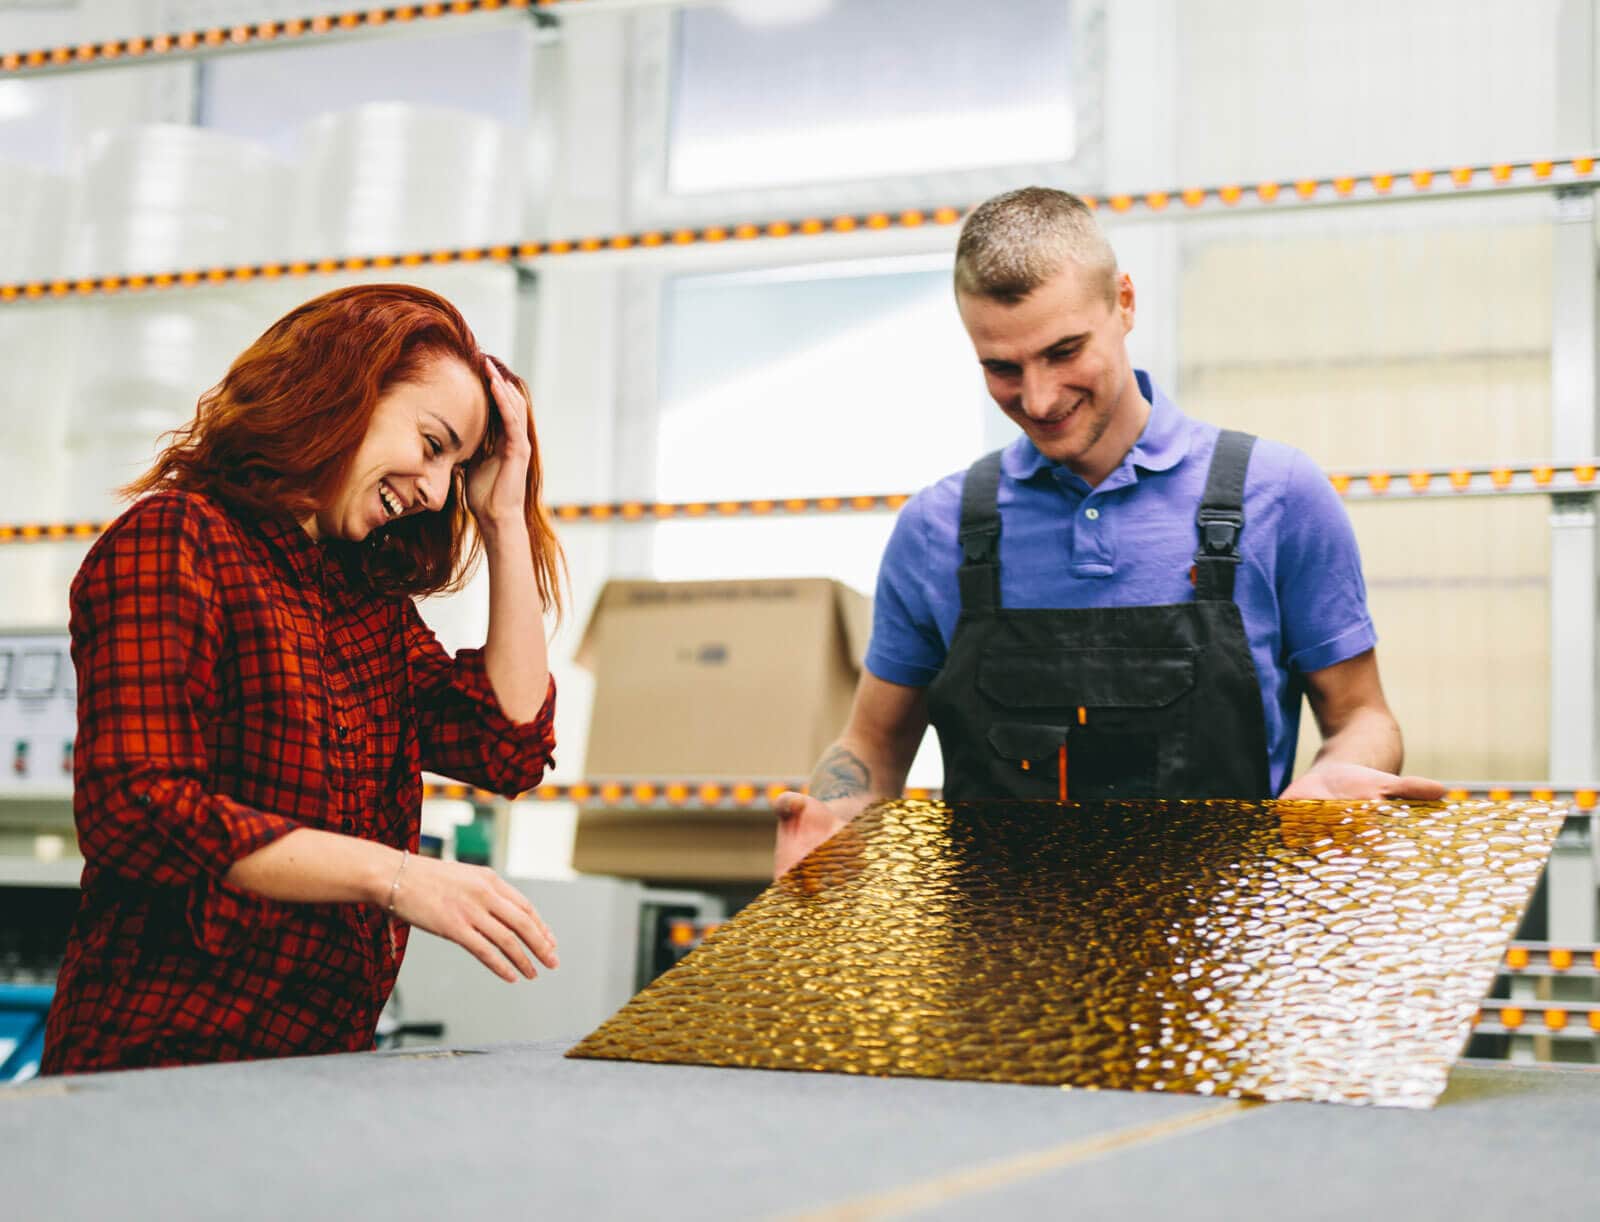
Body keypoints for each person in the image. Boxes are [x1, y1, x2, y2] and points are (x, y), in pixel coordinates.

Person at [775, 187, 1444, 877]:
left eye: (1064, 351)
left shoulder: (1277, 495)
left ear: (1124, 303)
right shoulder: (936, 530)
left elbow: (1362, 716)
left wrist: (1336, 781)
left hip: (1222, 965)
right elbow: (873, 748)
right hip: (996, 970)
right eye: (1002, 368)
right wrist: (834, 820)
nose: (1038, 399)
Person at [43, 283, 565, 1073]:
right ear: (342, 393)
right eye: (432, 444)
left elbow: (507, 744)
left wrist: (503, 515)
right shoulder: (176, 541)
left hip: (315, 1068)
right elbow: (138, 808)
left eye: (456, 469)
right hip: (160, 1069)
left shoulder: (364, 604)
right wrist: (391, 877)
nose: (433, 491)